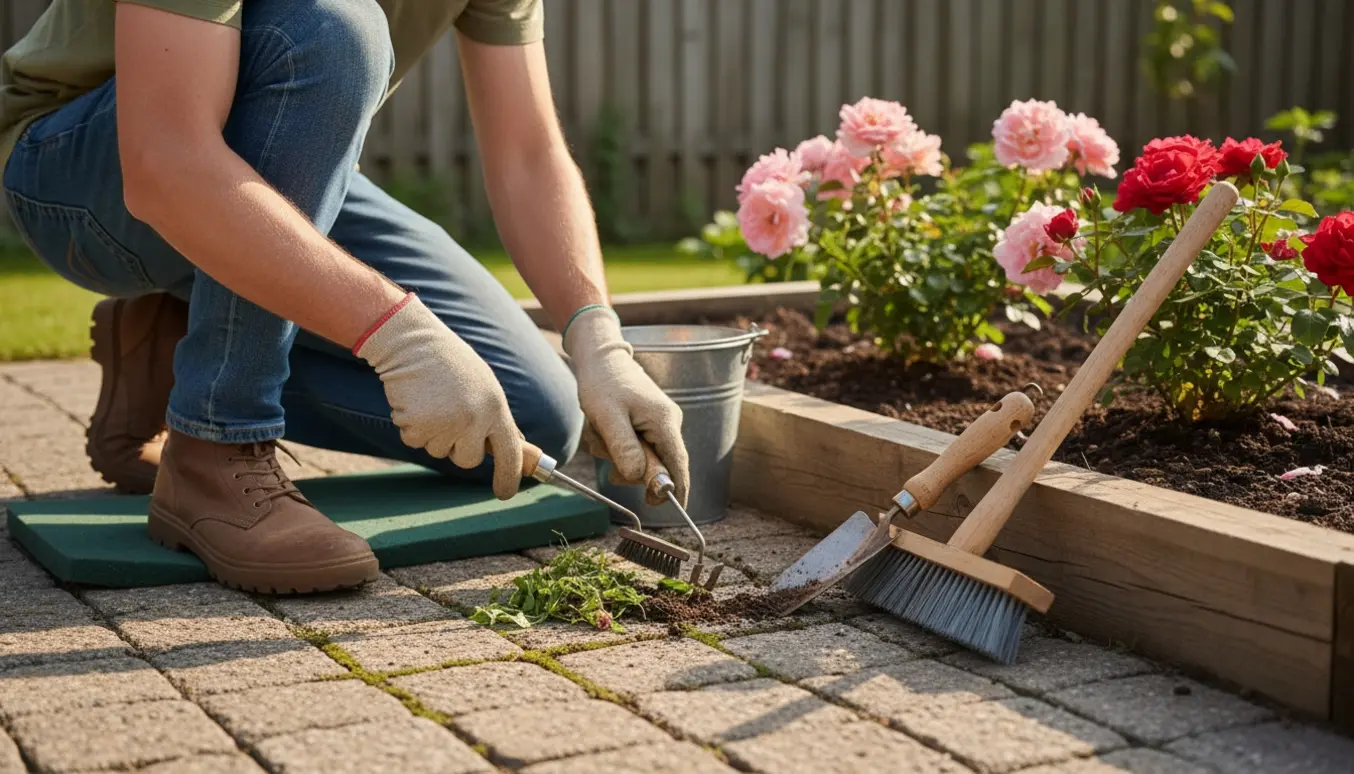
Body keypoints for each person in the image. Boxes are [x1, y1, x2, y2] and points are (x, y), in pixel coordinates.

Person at [0, 0, 689, 593]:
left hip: (250, 171)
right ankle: (217, 442)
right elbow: (163, 163)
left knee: (532, 418)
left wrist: (596, 337)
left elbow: (528, 153)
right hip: (80, 165)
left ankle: (174, 340)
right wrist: (398, 334)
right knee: (330, 28)